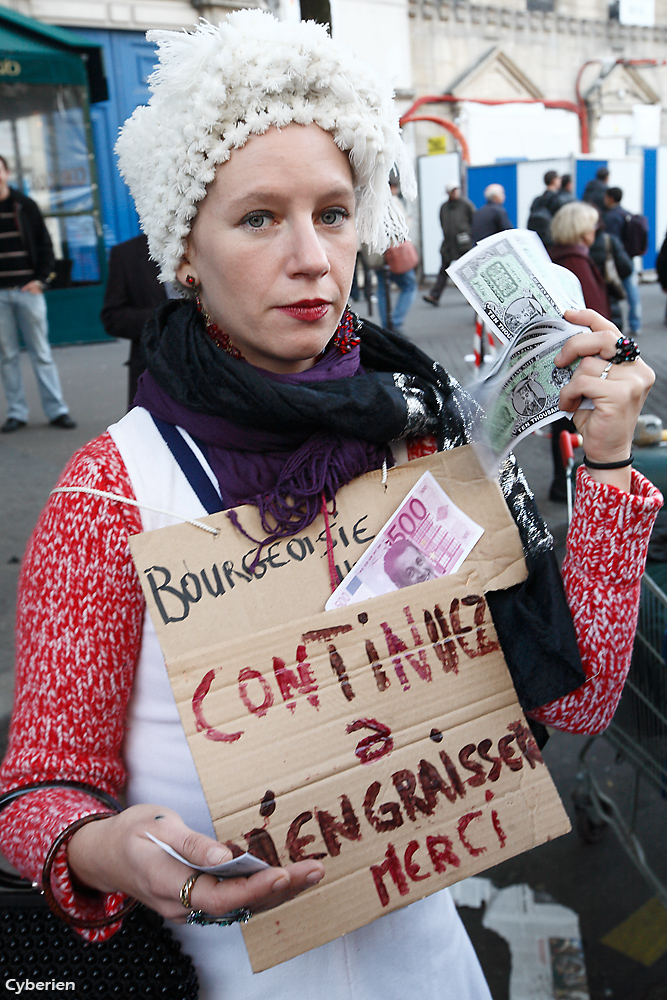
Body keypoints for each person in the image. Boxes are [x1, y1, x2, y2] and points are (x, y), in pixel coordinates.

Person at [0, 14, 660, 1000]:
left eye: (335, 211)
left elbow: (573, 701)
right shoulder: (110, 490)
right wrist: (105, 847)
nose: (312, 256)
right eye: (260, 217)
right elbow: (38, 790)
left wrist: (604, 467)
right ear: (186, 248)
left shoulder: (426, 437)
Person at [0, 155, 76, 433]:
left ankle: (57, 410)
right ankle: (17, 413)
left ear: (7, 173)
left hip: (28, 293)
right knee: (7, 356)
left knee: (41, 353)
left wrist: (40, 281)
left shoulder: (25, 206)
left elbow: (45, 245)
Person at [547, 200, 614, 504]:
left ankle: (563, 484)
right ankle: (571, 486)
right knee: (578, 423)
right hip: (582, 362)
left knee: (563, 424)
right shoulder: (577, 263)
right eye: (592, 225)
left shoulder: (558, 259)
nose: (595, 231)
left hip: (563, 361)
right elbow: (593, 315)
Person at [100, 234, 170, 409]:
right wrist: (165, 316)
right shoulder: (127, 254)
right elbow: (112, 318)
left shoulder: (208, 243)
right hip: (153, 375)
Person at [375, 178, 417, 333]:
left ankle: (387, 325)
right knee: (409, 286)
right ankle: (396, 322)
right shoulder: (393, 202)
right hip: (395, 251)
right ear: (392, 187)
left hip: (377, 252)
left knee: (382, 289)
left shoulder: (371, 202)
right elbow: (402, 228)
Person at [423, 183, 474, 306]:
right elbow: (442, 222)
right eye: (452, 191)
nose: (455, 193)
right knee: (444, 270)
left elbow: (473, 220)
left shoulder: (466, 205)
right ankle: (435, 295)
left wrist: (467, 233)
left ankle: (473, 297)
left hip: (463, 243)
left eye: (456, 190)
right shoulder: (444, 207)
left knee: (468, 271)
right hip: (448, 243)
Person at [602, 186, 642, 337]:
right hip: (628, 259)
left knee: (613, 292)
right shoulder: (627, 214)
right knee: (633, 293)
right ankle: (636, 324)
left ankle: (616, 326)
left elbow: (611, 241)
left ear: (610, 198)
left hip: (616, 261)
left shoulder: (611, 217)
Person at [526, 170, 561, 247]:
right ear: (554, 180)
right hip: (551, 238)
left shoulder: (537, 199)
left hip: (536, 238)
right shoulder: (556, 199)